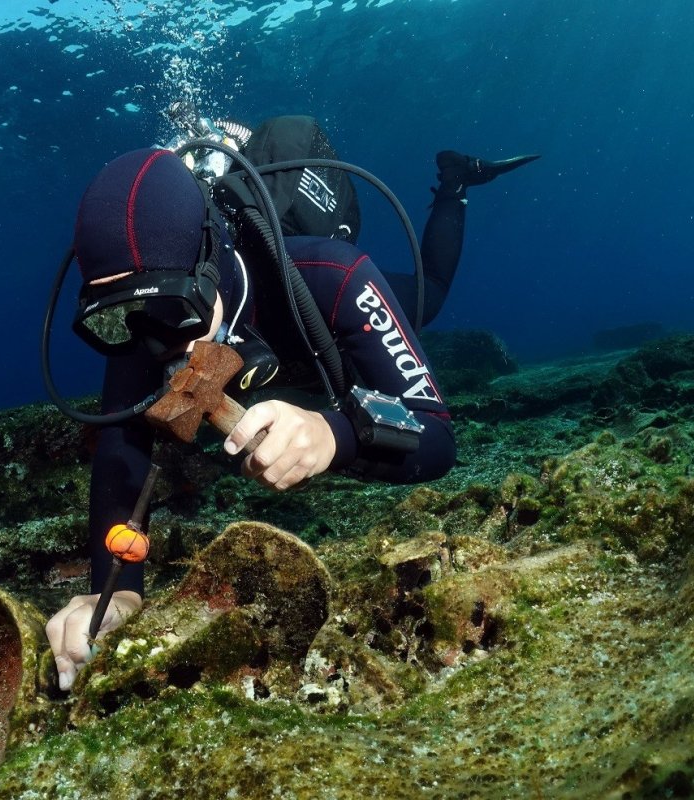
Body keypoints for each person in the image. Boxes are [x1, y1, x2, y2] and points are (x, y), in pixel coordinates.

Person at [45, 118, 536, 690]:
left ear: (210, 265)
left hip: (315, 327)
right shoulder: (146, 321)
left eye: (175, 311)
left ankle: (454, 183)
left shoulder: (331, 274)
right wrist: (121, 589)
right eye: (117, 322)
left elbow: (437, 436)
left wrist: (334, 435)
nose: (156, 346)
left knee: (433, 296)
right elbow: (121, 450)